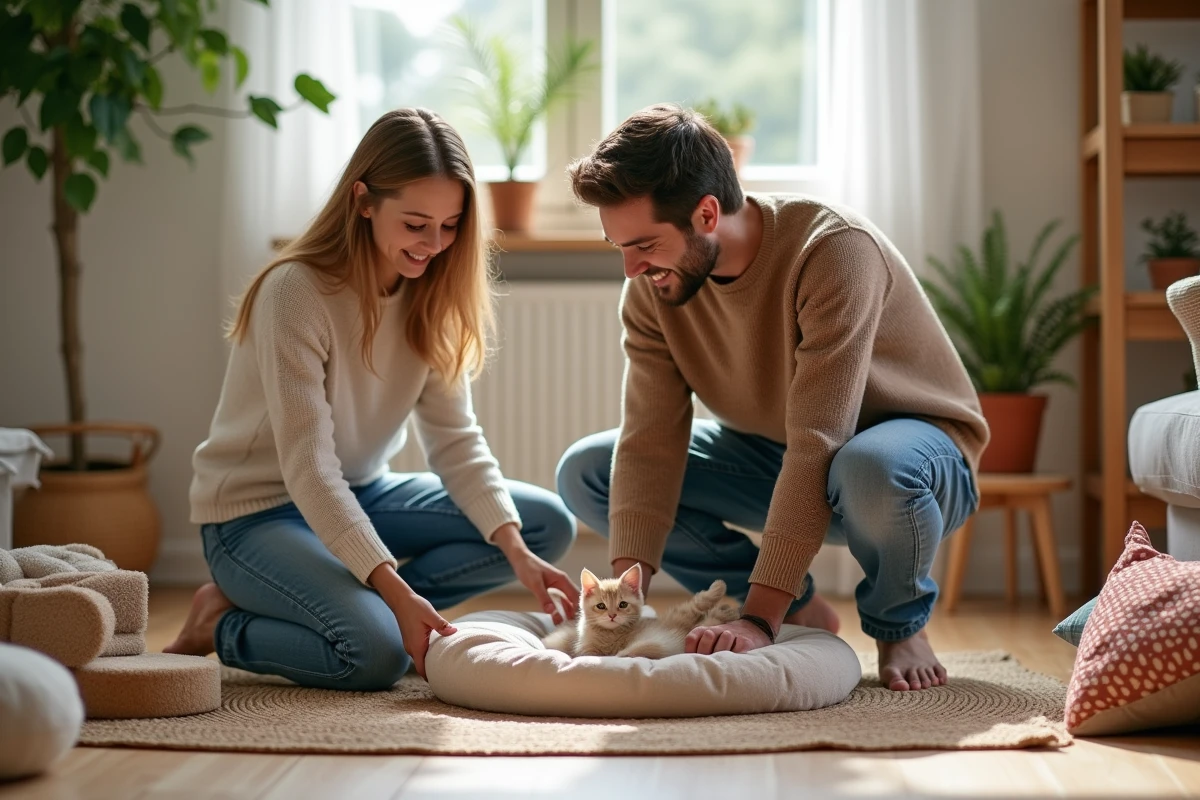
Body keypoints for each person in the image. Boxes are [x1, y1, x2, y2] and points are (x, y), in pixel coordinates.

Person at [555, 104, 988, 691]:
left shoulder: (833, 250)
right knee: (588, 470)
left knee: (868, 466)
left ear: (706, 213)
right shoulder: (653, 289)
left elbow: (821, 442)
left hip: (911, 464)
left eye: (645, 244)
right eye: (619, 247)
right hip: (777, 452)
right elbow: (648, 440)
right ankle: (800, 605)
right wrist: (624, 608)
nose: (632, 268)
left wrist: (761, 618)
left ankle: (899, 624)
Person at [166, 108, 578, 688]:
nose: (434, 245)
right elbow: (309, 469)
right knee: (373, 656)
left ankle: (387, 612)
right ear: (363, 201)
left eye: (450, 225)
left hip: (362, 491)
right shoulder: (296, 292)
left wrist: (518, 555)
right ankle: (225, 625)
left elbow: (456, 442)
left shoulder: (428, 294)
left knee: (541, 525)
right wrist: (392, 584)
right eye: (415, 224)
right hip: (254, 513)